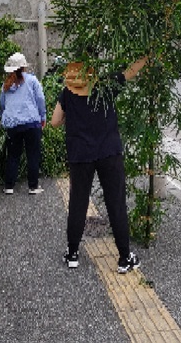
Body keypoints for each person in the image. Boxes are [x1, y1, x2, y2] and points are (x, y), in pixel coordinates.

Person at [51, 55, 148, 273]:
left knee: (78, 202)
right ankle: (124, 258)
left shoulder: (67, 93)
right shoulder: (106, 86)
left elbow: (55, 122)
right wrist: (147, 55)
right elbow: (131, 71)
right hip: (108, 152)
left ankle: (72, 254)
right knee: (116, 203)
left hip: (80, 155)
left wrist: (72, 116)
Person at [0, 52, 46, 195]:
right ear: (24, 67)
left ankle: (9, 186)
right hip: (31, 122)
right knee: (33, 155)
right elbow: (40, 99)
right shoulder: (32, 80)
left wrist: (1, 117)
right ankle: (33, 186)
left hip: (12, 124)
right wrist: (42, 116)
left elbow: (2, 104)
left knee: (13, 155)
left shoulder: (6, 84)